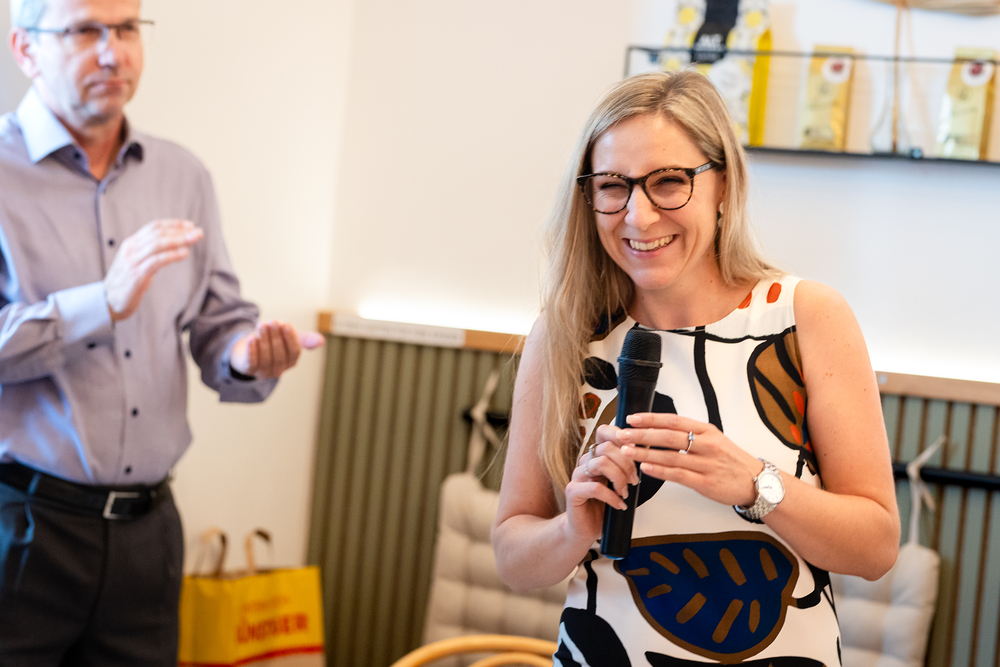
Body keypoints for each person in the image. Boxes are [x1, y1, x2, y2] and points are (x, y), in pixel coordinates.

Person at [492, 70, 900, 666]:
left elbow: (876, 548)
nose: (639, 215)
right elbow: (513, 558)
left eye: (668, 182)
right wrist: (571, 530)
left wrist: (756, 484)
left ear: (723, 185)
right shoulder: (564, 337)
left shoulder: (804, 318)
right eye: (613, 186)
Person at [0, 0, 323, 663]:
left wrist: (247, 354)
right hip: (23, 528)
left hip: (149, 538)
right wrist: (103, 301)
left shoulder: (183, 175)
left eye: (126, 28)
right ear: (25, 49)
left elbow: (219, 323)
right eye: (85, 30)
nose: (114, 52)